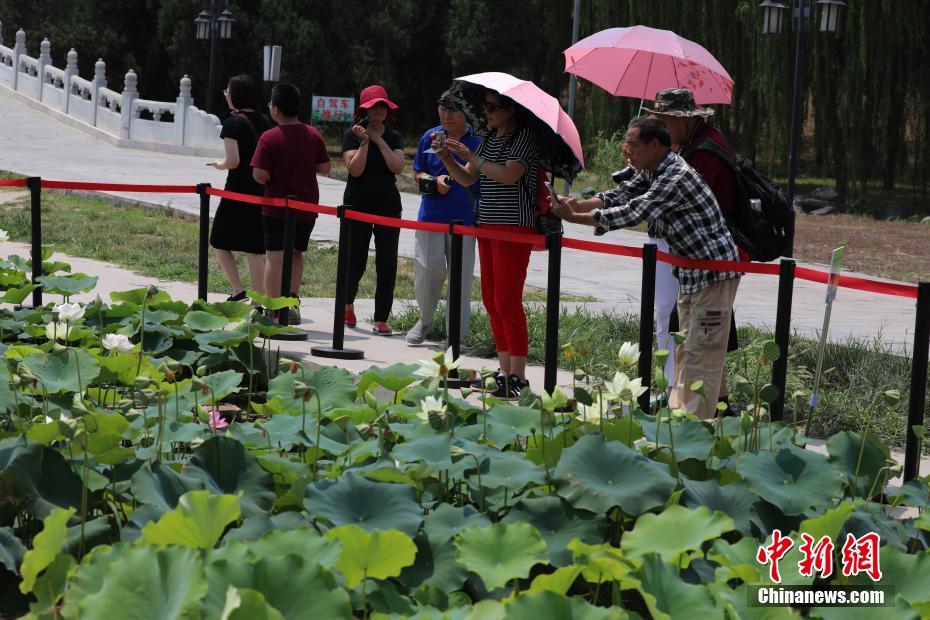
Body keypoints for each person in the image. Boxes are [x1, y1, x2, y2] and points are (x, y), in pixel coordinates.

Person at [551, 117, 741, 419]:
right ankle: (680, 419)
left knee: (702, 353)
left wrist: (573, 218)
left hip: (713, 273)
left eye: (633, 143)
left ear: (655, 146)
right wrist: (575, 204)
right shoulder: (653, 169)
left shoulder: (674, 176)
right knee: (684, 350)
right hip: (691, 272)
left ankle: (694, 431)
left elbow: (633, 212)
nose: (626, 149)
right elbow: (619, 195)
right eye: (626, 142)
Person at [649, 88, 743, 414]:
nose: (658, 126)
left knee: (701, 343)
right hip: (698, 265)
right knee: (691, 337)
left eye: (662, 120)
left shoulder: (704, 154)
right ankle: (718, 402)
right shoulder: (694, 145)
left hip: (711, 265)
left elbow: (673, 200)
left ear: (680, 119)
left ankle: (698, 420)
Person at [441, 90, 540, 399]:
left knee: (508, 300)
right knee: (491, 299)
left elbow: (510, 175)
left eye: (493, 108)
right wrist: (447, 158)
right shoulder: (488, 137)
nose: (487, 113)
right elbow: (469, 179)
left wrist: (473, 157)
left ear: (511, 110)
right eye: (485, 108)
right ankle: (504, 370)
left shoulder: (524, 138)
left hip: (514, 226)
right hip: (486, 223)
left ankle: (518, 376)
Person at [251, 82, 331, 317]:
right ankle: (292, 304)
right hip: (306, 207)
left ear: (275, 109)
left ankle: (274, 309)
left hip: (276, 208)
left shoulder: (269, 138)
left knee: (275, 257)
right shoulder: (313, 134)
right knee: (296, 252)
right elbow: (325, 167)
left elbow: (259, 174)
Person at [406, 89, 480, 345]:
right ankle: (425, 319)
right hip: (431, 216)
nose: (446, 115)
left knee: (461, 277)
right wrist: (431, 181)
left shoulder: (477, 140)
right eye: (442, 109)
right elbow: (417, 172)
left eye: (452, 109)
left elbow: (475, 177)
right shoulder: (431, 137)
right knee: (427, 269)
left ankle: (457, 335)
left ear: (465, 112)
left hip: (464, 218)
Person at [342, 85, 406, 335]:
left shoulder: (394, 136)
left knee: (387, 262)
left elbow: (398, 167)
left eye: (382, 106)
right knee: (354, 260)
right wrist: (365, 142)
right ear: (364, 110)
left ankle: (381, 318)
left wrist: (378, 139)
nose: (378, 111)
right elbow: (354, 170)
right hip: (357, 204)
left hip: (388, 205)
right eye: (372, 107)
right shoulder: (351, 134)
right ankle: (347, 305)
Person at [209, 74, 271, 301]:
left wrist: (219, 164)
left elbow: (233, 161)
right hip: (259, 189)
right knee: (254, 248)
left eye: (227, 92)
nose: (226, 95)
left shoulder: (232, 123)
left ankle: (238, 289)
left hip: (236, 190)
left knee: (218, 240)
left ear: (233, 96)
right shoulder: (265, 121)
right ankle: (258, 299)